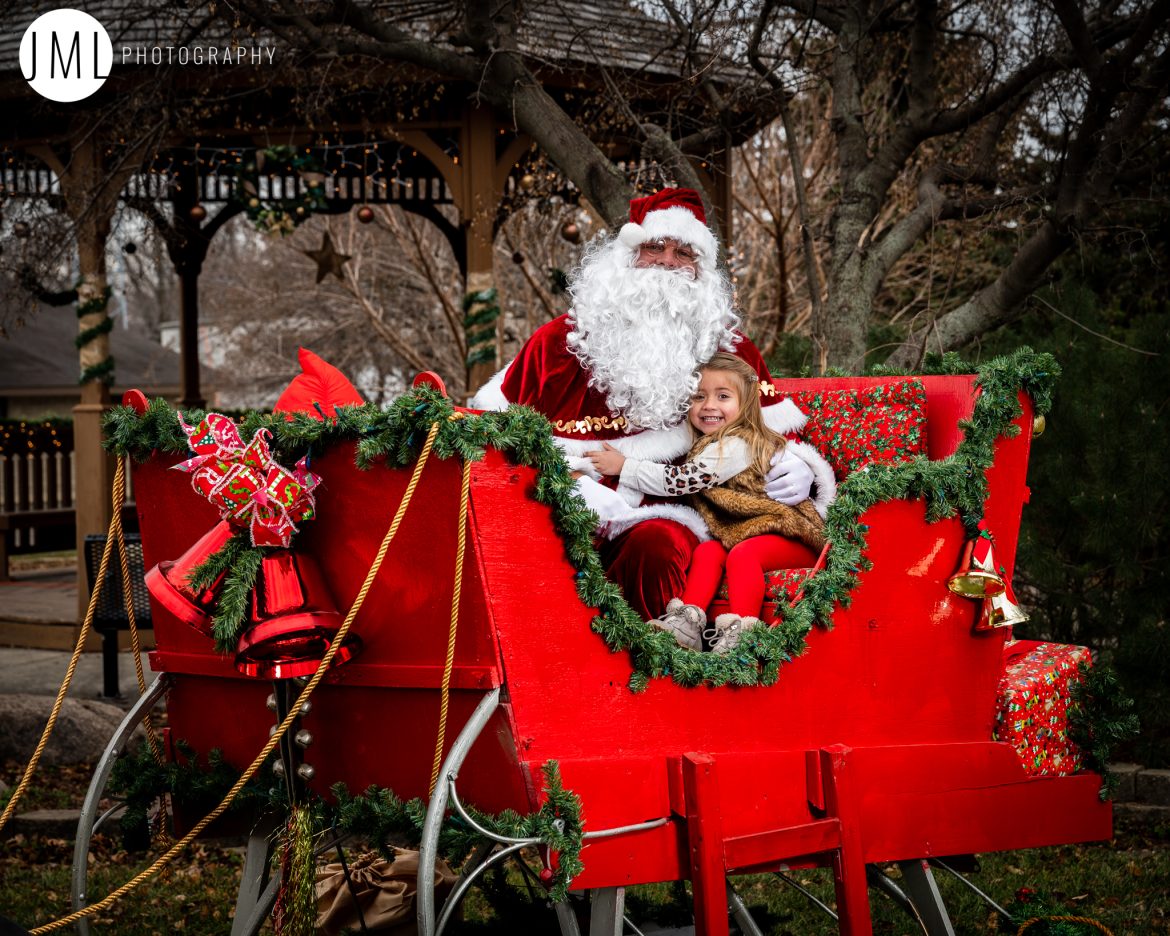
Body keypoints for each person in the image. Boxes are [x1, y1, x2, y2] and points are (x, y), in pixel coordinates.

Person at [470, 188, 836, 619]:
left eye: (684, 252)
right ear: (627, 257)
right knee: (524, 541)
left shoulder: (727, 352)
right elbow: (492, 436)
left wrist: (798, 466)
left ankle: (646, 671)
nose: (667, 261)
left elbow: (774, 434)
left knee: (657, 546)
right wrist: (565, 482)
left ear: (701, 271)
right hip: (558, 502)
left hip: (664, 514)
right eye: (655, 247)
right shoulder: (558, 344)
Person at [586, 353, 824, 653]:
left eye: (722, 396)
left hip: (789, 534)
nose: (709, 405)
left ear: (746, 404)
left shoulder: (735, 445)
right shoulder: (708, 442)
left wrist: (624, 466)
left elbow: (681, 480)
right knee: (709, 552)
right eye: (699, 396)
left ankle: (744, 634)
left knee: (743, 556)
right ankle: (687, 624)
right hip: (749, 532)